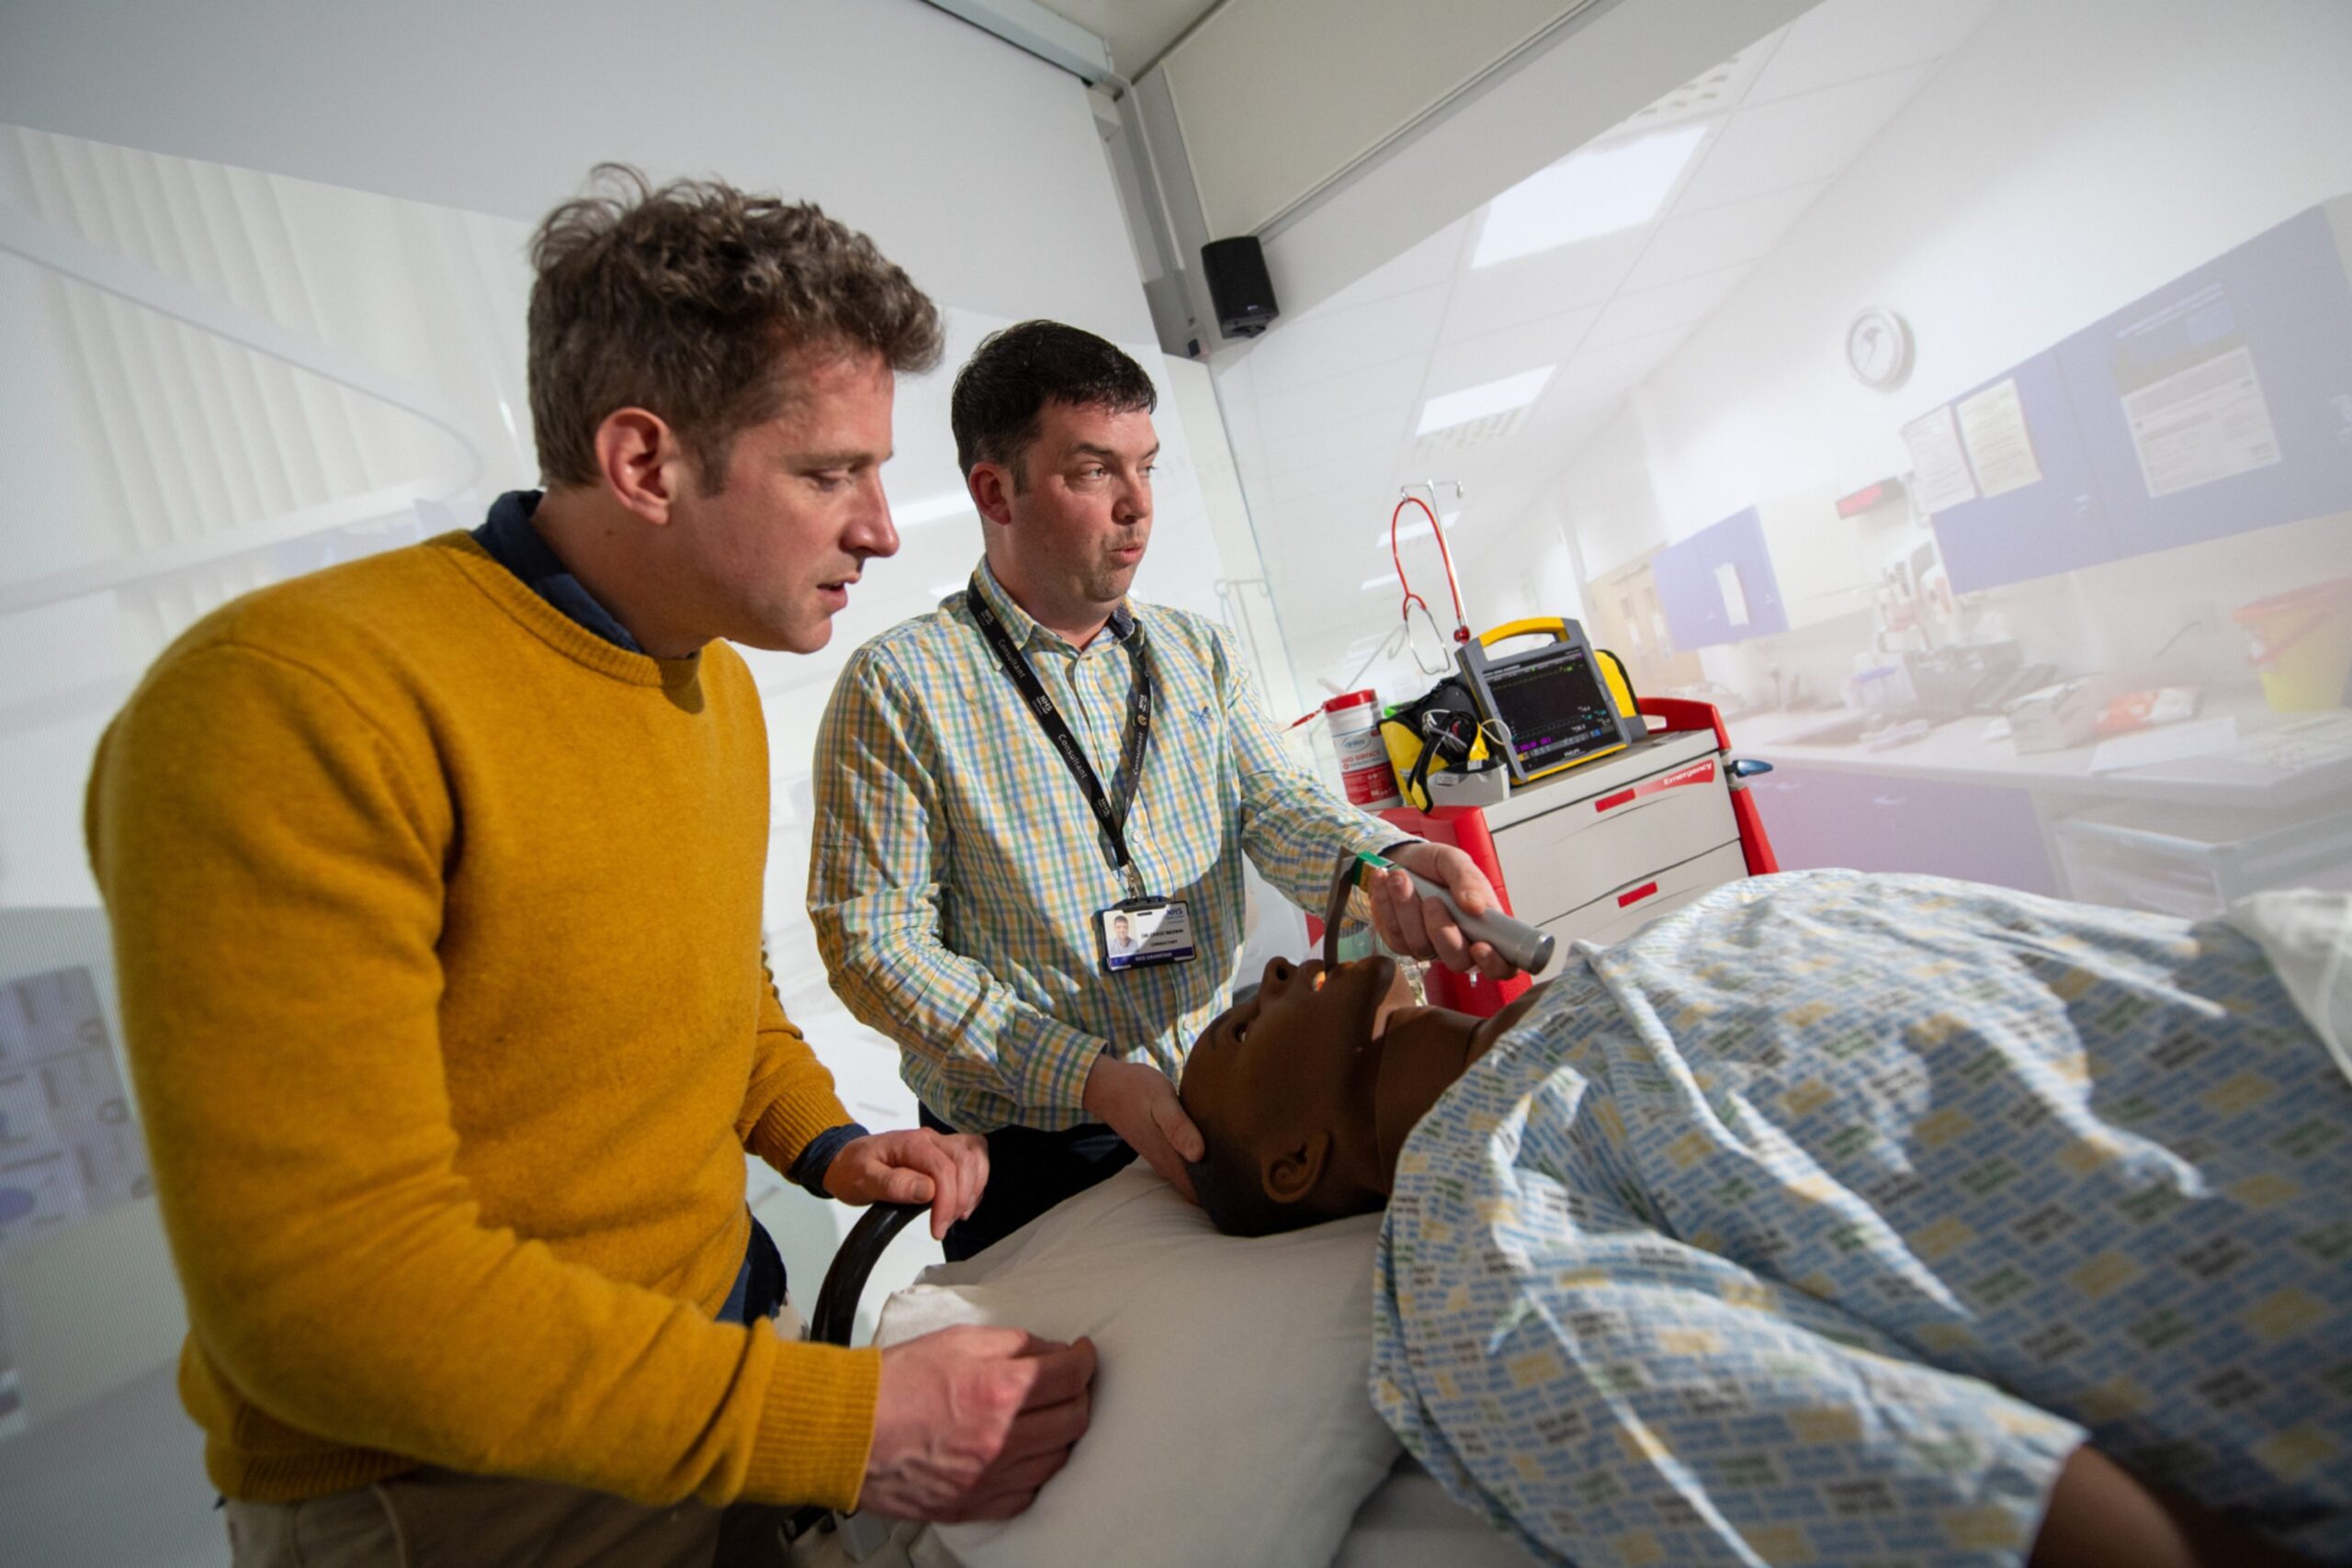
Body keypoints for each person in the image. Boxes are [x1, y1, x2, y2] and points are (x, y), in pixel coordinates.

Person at [85, 168, 1094, 1568]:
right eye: (828, 471)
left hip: (705, 1389)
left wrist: (826, 1138)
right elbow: (330, 1296)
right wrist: (835, 1419)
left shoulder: (711, 686)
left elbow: (711, 989)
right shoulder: (290, 702)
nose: (878, 523)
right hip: (459, 1490)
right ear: (643, 460)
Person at [1179, 870, 2350, 1568]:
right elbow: (1932, 1479)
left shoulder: (1653, 956)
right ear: (1293, 1164)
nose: (1275, 976)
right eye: (1239, 1026)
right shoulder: (1475, 1235)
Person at [809, 320, 1515, 1261]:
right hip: (1030, 1145)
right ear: (996, 491)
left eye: (1146, 468)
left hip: (1215, 1098)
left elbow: (1279, 808)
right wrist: (1089, 1077)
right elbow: (873, 944)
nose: (1137, 507)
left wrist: (1392, 862)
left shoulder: (1191, 653)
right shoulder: (902, 687)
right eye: (1094, 472)